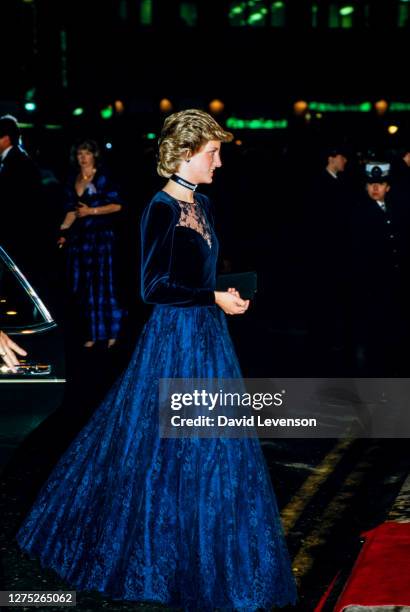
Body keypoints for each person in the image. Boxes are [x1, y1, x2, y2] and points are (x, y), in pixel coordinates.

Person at [16, 109, 297, 609]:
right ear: (187, 153)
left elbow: (196, 274)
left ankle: (209, 552)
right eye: (212, 153)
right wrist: (213, 298)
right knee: (157, 449)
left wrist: (222, 292)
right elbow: (152, 288)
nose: (218, 162)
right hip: (175, 341)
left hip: (208, 339)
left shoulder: (204, 204)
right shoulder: (160, 208)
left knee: (212, 451)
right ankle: (155, 555)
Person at [57, 139, 124, 348]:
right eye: (79, 154)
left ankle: (112, 333)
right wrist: (63, 232)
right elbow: (71, 211)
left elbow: (117, 206)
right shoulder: (73, 179)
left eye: (86, 153)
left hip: (101, 239)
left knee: (105, 286)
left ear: (94, 155)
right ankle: (92, 334)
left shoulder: (104, 178)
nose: (82, 157)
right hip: (81, 240)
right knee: (84, 288)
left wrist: (91, 211)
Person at [350, 162, 410, 375]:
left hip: (395, 286)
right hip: (372, 288)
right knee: (374, 338)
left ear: (388, 187)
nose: (375, 188)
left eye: (381, 184)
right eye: (371, 184)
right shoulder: (358, 214)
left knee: (394, 336)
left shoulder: (395, 210)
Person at [0, 115, 41, 267]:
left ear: (6, 138)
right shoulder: (12, 160)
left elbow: (16, 200)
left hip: (16, 234)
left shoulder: (19, 162)